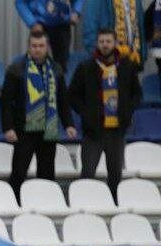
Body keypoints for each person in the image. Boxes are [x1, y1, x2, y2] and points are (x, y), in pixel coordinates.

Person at [0, 30, 76, 200]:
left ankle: (45, 202)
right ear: (29, 47)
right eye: (34, 46)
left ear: (47, 47)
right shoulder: (16, 69)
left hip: (48, 129)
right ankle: (14, 203)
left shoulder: (56, 69)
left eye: (41, 46)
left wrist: (69, 124)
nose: (37, 49)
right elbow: (6, 101)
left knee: (47, 173)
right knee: (19, 172)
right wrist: (8, 127)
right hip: (23, 129)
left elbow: (63, 100)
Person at [68, 27, 142, 197]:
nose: (105, 45)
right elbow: (72, 95)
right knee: (87, 174)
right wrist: (85, 113)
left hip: (117, 131)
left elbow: (137, 93)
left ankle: (114, 206)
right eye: (101, 41)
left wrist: (128, 110)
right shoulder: (86, 67)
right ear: (97, 43)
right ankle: (84, 204)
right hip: (93, 131)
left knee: (115, 175)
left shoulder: (127, 66)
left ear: (115, 43)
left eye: (108, 41)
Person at [16, 1, 84, 71]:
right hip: (39, 26)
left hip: (61, 24)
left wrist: (76, 11)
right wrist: (32, 22)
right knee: (37, 61)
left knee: (61, 65)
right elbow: (20, 3)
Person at [82, 0, 147, 68]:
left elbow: (141, 27)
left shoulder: (137, 1)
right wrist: (102, 60)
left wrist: (143, 55)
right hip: (107, 63)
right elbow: (90, 33)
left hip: (132, 60)